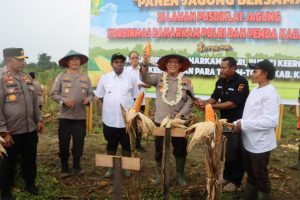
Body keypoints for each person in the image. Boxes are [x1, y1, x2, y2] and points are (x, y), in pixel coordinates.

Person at [194, 57, 249, 191]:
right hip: (223, 123)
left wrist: (212, 107)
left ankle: (236, 182)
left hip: (238, 123)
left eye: (224, 67)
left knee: (237, 152)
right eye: (221, 67)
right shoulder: (220, 81)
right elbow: (213, 99)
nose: (221, 70)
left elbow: (232, 104)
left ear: (233, 68)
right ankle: (226, 176)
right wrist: (204, 103)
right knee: (227, 151)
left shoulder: (241, 83)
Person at [140, 53, 193, 186]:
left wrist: (181, 114)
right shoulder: (158, 78)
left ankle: (180, 175)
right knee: (159, 148)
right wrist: (145, 64)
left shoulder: (186, 81)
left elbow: (190, 100)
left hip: (179, 122)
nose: (173, 64)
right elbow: (145, 78)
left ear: (180, 66)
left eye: (176, 62)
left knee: (180, 149)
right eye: (170, 62)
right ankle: (160, 174)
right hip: (160, 120)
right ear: (166, 65)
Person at [233, 59, 280, 200]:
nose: (251, 74)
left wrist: (243, 124)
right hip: (249, 140)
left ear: (264, 73)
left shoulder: (270, 93)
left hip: (260, 144)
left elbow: (271, 122)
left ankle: (264, 196)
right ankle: (249, 195)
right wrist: (238, 123)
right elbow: (250, 115)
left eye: (255, 71)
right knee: (251, 172)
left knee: (261, 175)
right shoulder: (257, 89)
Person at [0, 48, 44, 199]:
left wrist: (39, 120)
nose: (23, 62)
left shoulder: (26, 78)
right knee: (8, 163)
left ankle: (30, 184)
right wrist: (3, 131)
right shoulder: (1, 78)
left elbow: (35, 102)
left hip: (29, 128)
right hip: (10, 131)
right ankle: (5, 190)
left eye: (23, 59)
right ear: (8, 61)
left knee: (30, 158)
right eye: (19, 59)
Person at [95, 53, 139, 178]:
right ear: (112, 64)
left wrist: (134, 116)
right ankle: (110, 167)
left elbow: (136, 97)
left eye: (121, 62)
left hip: (126, 121)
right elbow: (99, 97)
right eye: (116, 62)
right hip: (109, 120)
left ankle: (126, 168)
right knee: (111, 144)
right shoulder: (104, 78)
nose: (118, 64)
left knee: (126, 145)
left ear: (124, 64)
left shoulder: (131, 78)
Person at [51, 50, 94, 178]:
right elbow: (54, 94)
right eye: (72, 59)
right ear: (68, 63)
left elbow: (91, 94)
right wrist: (64, 100)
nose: (75, 61)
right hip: (65, 117)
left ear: (80, 62)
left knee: (79, 143)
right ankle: (64, 167)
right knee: (63, 143)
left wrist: (88, 100)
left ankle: (76, 166)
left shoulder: (85, 77)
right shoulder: (61, 77)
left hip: (80, 117)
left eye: (77, 59)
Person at [126, 51, 151, 153]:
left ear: (139, 58)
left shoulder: (143, 70)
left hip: (140, 100)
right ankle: (129, 143)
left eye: (136, 58)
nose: (135, 60)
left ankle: (138, 144)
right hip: (128, 100)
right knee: (130, 122)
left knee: (139, 123)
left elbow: (149, 84)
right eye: (132, 58)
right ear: (129, 59)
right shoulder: (126, 71)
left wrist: (141, 85)